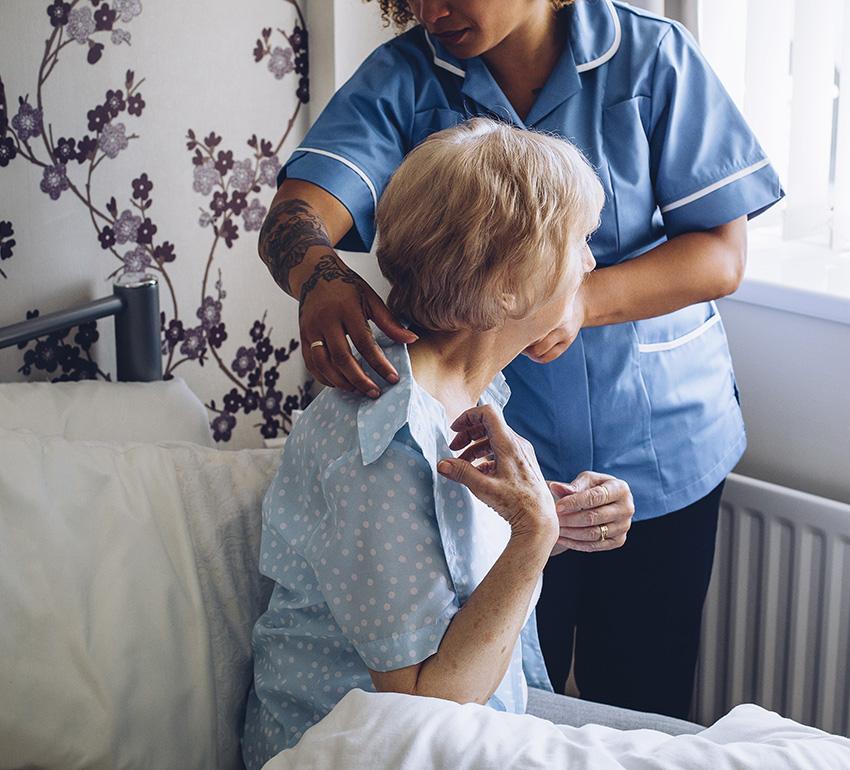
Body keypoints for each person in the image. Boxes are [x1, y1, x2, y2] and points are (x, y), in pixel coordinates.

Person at [257, 0, 784, 721]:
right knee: (507, 676)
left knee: (643, 699)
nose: (429, 10)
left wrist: (579, 298)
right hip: (494, 463)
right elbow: (298, 214)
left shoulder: (653, 56)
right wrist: (317, 273)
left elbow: (721, 253)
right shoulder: (396, 446)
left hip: (657, 440)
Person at [243, 119, 711, 769]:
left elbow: (446, 554)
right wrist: (533, 535)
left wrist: (553, 513)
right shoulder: (382, 448)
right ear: (507, 287)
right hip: (362, 749)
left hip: (479, 716)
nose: (591, 262)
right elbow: (425, 705)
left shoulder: (468, 390)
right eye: (577, 242)